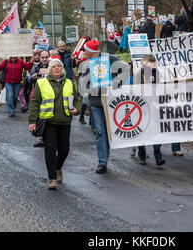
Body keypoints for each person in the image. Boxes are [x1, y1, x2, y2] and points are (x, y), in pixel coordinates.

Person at [28, 57, 81, 190]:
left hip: (65, 122)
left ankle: (58, 168)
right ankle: (52, 178)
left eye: (59, 66)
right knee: (50, 149)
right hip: (48, 121)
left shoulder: (70, 82)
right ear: (50, 69)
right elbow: (35, 103)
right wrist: (32, 121)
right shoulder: (41, 83)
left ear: (62, 69)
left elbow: (78, 99)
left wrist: (77, 109)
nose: (56, 68)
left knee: (64, 150)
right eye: (54, 66)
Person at [78, 39, 126, 174]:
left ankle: (107, 154)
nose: (84, 51)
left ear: (91, 51)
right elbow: (82, 81)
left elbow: (125, 69)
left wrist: (115, 84)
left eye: (85, 49)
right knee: (100, 132)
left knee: (111, 132)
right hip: (95, 103)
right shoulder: (86, 64)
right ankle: (102, 162)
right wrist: (88, 86)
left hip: (111, 102)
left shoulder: (109, 58)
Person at [131, 54, 166, 166]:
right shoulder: (138, 74)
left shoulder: (156, 73)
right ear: (144, 63)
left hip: (154, 104)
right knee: (142, 131)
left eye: (153, 63)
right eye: (149, 63)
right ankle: (142, 155)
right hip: (142, 106)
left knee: (156, 130)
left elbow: (160, 88)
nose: (152, 65)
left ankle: (158, 156)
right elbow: (135, 90)